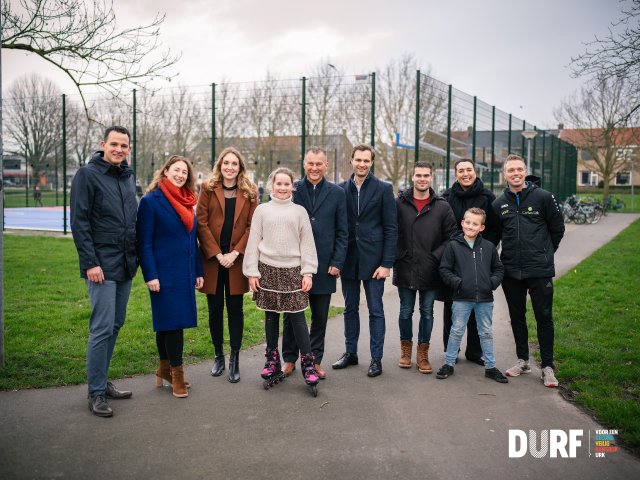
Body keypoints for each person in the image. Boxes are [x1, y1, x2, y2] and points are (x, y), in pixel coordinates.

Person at [70, 126, 137, 417]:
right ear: (103, 145)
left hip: (124, 265)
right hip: (101, 266)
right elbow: (80, 221)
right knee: (101, 327)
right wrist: (90, 262)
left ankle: (102, 381)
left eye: (124, 145)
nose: (119, 149)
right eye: (114, 144)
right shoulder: (87, 174)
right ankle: (95, 392)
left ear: (128, 149)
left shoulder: (126, 176)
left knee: (115, 324)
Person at [243, 167, 320, 393]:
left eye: (287, 184)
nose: (283, 188)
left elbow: (307, 243)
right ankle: (271, 360)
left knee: (297, 318)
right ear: (272, 186)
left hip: (293, 271)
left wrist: (308, 272)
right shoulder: (261, 210)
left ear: (292, 187)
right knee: (270, 317)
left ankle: (307, 363)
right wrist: (251, 271)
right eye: (279, 184)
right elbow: (254, 241)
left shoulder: (299, 212)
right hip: (267, 270)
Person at [492, 154, 565, 388]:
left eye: (519, 169)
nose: (515, 173)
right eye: (511, 170)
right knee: (517, 318)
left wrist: (545, 253)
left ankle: (547, 367)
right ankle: (523, 361)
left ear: (525, 171)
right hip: (511, 271)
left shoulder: (543, 197)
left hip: (540, 270)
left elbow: (557, 228)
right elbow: (493, 238)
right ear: (505, 174)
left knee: (544, 317)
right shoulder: (498, 204)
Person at [136, 155, 204, 398]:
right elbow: (143, 243)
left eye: (184, 172)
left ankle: (164, 369)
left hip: (184, 272)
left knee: (168, 324)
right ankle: (177, 375)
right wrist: (150, 275)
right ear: (165, 171)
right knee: (172, 324)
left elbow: (192, 240)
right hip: (162, 274)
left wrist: (197, 271)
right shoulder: (151, 201)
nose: (180, 175)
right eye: (176, 170)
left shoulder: (188, 202)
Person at [281, 147, 348, 380]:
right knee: (291, 315)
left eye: (319, 164)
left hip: (324, 265)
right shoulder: (293, 189)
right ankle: (289, 359)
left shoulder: (338, 193)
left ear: (326, 165)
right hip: (293, 265)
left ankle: (314, 361)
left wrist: (337, 261)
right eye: (311, 163)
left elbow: (343, 231)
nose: (314, 168)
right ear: (304, 163)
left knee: (319, 317)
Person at [332, 144, 397, 377]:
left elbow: (391, 228)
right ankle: (351, 353)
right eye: (358, 160)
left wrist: (387, 263)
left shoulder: (383, 189)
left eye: (366, 160)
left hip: (374, 262)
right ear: (351, 161)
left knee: (375, 310)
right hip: (348, 260)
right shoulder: (340, 190)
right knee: (349, 309)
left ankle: (376, 359)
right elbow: (338, 227)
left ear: (371, 162)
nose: (361, 164)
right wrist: (337, 261)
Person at [196, 147, 258, 383]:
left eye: (234, 164)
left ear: (240, 167)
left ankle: (234, 359)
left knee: (235, 310)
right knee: (214, 311)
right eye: (226, 163)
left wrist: (234, 253)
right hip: (213, 260)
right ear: (220, 166)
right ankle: (218, 356)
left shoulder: (250, 191)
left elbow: (253, 226)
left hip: (236, 260)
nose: (229, 167)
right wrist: (216, 253)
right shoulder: (208, 189)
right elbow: (201, 223)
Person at [393, 161, 456, 374]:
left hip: (431, 269)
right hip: (405, 267)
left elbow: (452, 236)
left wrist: (434, 257)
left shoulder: (442, 206)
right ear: (412, 177)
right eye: (418, 175)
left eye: (426, 175)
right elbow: (391, 231)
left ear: (431, 178)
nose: (422, 179)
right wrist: (398, 255)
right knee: (405, 311)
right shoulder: (399, 203)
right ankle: (405, 351)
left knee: (427, 312)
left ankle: (423, 354)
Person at [436, 208, 507, 383]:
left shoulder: (489, 247)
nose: (470, 226)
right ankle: (449, 363)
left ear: (481, 227)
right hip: (461, 297)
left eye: (475, 224)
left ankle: (490, 366)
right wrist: (458, 283)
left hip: (484, 299)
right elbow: (444, 269)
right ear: (462, 223)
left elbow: (498, 268)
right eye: (467, 222)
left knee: (486, 332)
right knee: (456, 330)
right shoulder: (453, 246)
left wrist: (491, 283)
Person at [441, 158, 500, 365]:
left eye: (469, 170)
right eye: (460, 170)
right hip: (455, 259)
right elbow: (443, 227)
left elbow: (494, 228)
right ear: (455, 173)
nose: (465, 173)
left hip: (479, 260)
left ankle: (475, 352)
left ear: (475, 171)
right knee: (451, 309)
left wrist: (484, 250)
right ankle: (451, 352)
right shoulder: (447, 197)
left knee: (477, 309)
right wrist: (453, 247)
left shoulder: (487, 197)